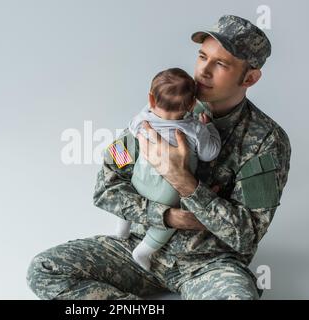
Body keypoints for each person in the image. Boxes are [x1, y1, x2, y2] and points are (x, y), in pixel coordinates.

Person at [27, 15, 291, 300]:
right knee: (44, 270)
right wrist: (167, 216)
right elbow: (106, 186)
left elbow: (245, 234)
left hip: (208, 265)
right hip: (136, 249)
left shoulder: (266, 140)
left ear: (250, 77)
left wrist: (185, 182)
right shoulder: (164, 106)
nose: (203, 71)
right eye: (202, 57)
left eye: (221, 64)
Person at [113, 67, 221, 271]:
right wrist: (210, 128)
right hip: (168, 191)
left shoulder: (141, 120)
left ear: (151, 100)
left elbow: (125, 139)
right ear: (191, 104)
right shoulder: (194, 128)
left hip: (139, 178)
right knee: (167, 223)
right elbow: (210, 153)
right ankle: (142, 252)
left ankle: (121, 230)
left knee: (130, 198)